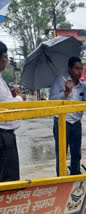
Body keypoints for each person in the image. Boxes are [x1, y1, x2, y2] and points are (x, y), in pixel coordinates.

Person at [49, 57, 86, 176]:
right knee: (61, 153)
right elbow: (51, 99)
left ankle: (75, 177)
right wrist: (65, 93)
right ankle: (61, 178)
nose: (79, 71)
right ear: (70, 69)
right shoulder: (60, 80)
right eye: (76, 68)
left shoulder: (83, 86)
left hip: (76, 123)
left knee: (76, 153)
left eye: (80, 69)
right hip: (62, 122)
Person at [0, 41, 26, 182]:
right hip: (2, 135)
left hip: (6, 133)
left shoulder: (1, 78)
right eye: (5, 56)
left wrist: (11, 94)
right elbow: (7, 105)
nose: (7, 60)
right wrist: (19, 98)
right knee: (8, 176)